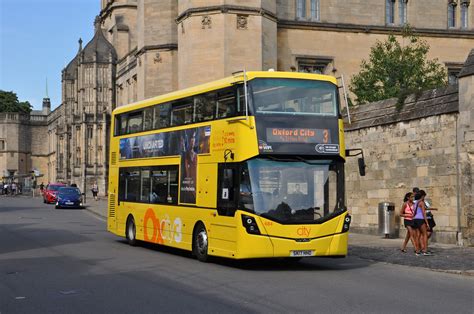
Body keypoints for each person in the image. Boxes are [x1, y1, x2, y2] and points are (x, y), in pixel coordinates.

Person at [413, 190, 431, 256]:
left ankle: (417, 251)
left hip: (415, 219)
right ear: (423, 196)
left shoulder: (415, 203)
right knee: (425, 234)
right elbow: (424, 213)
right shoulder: (422, 203)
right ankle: (425, 251)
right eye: (424, 196)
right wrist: (427, 223)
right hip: (421, 219)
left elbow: (414, 212)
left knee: (418, 235)